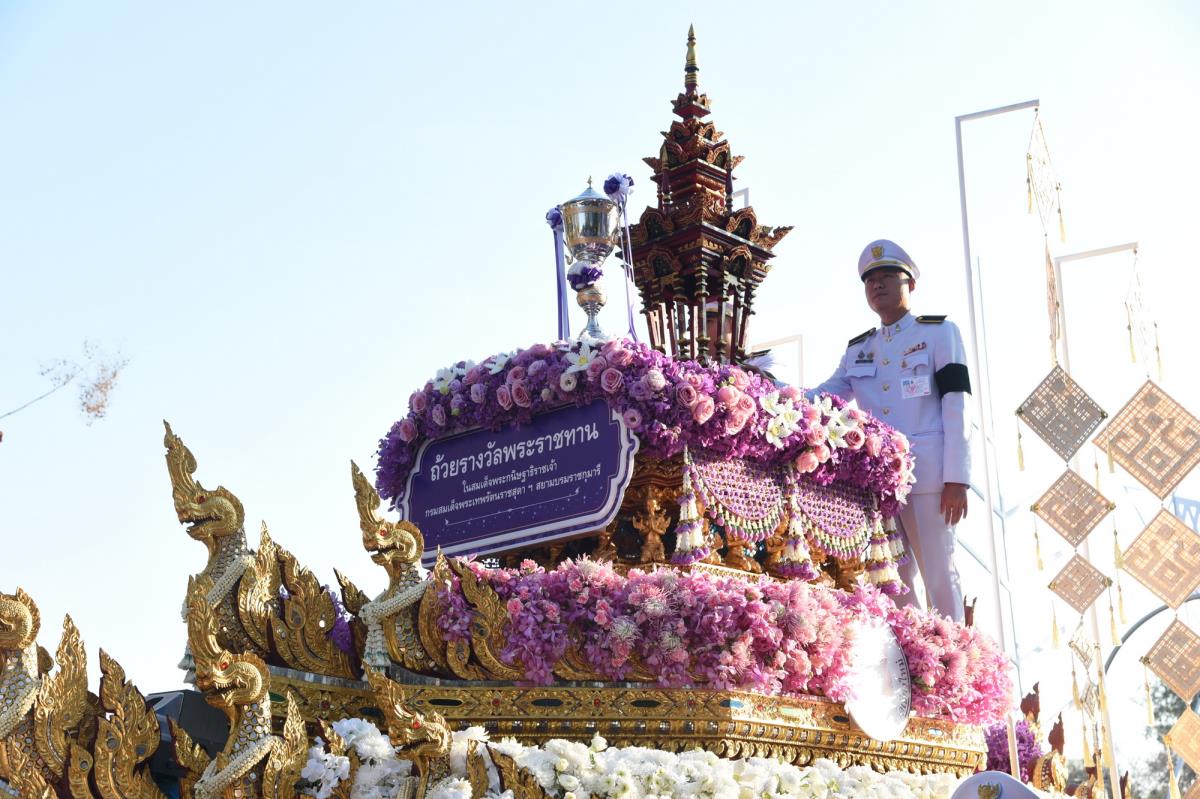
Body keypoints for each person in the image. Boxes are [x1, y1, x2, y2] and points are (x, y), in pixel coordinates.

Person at [810, 239, 972, 622]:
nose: (877, 285)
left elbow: (957, 405)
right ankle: (915, 649)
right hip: (878, 484)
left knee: (940, 575)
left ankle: (955, 650)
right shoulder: (858, 349)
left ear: (910, 284)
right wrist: (766, 387)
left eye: (887, 277)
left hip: (929, 478)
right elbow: (823, 397)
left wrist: (957, 479)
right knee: (893, 581)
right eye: (870, 280)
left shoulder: (939, 333)